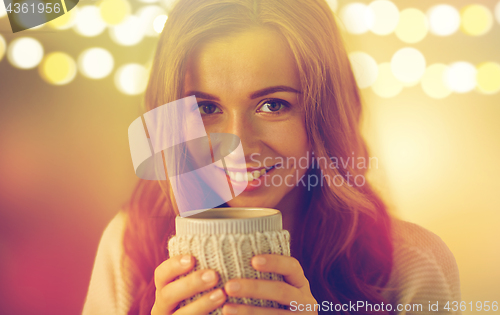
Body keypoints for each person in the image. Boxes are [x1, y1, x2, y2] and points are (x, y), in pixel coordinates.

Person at [82, 0, 461, 314]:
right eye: (205, 109)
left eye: (273, 104)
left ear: (324, 113)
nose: (239, 146)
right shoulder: (131, 243)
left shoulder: (410, 265)